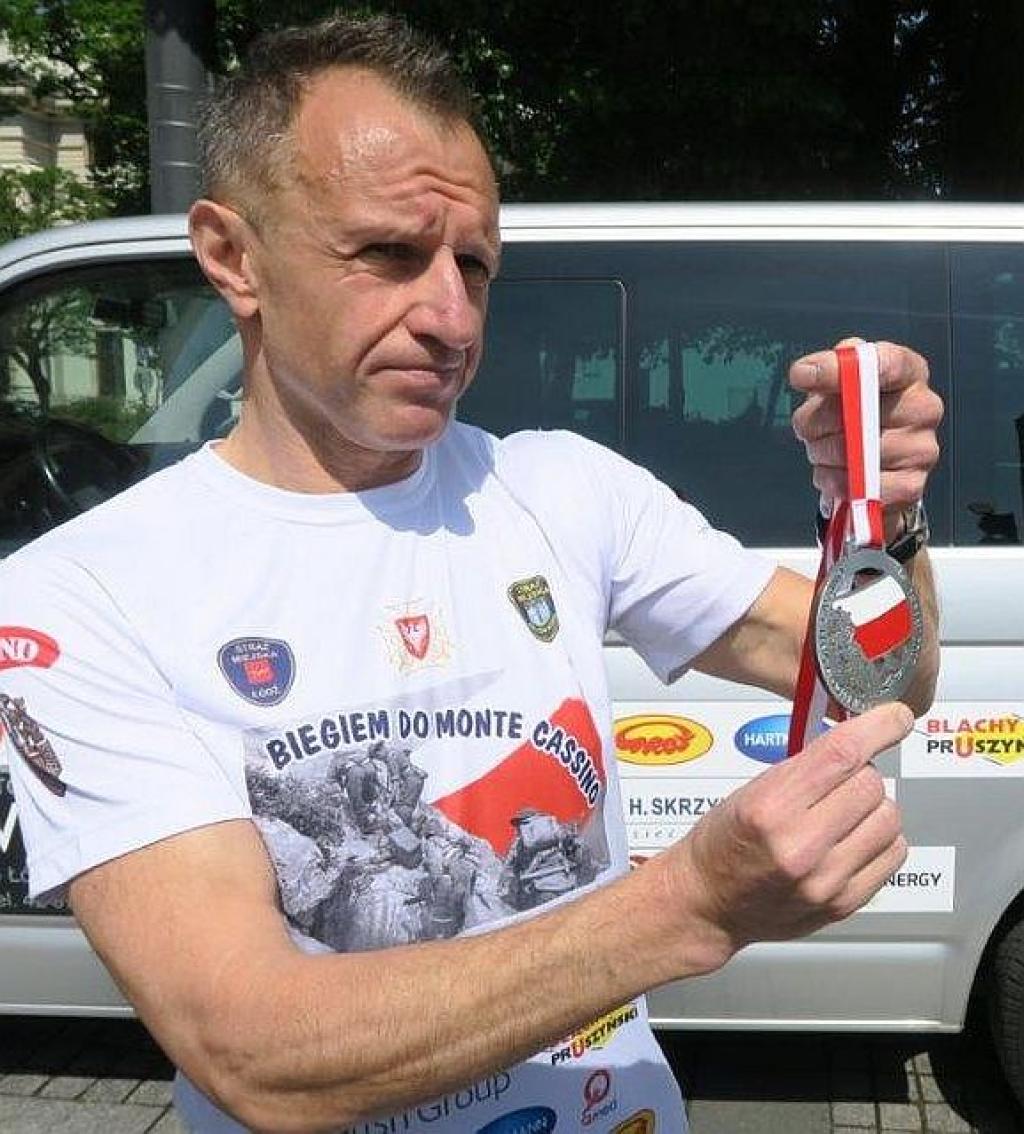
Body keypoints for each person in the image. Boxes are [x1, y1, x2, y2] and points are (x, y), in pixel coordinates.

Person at [0, 13, 942, 1134]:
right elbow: (254, 1048)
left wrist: (884, 515)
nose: (451, 317)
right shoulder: (82, 593)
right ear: (233, 257)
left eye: (476, 265)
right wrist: (687, 906)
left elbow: (878, 680)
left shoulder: (564, 488)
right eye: (389, 254)